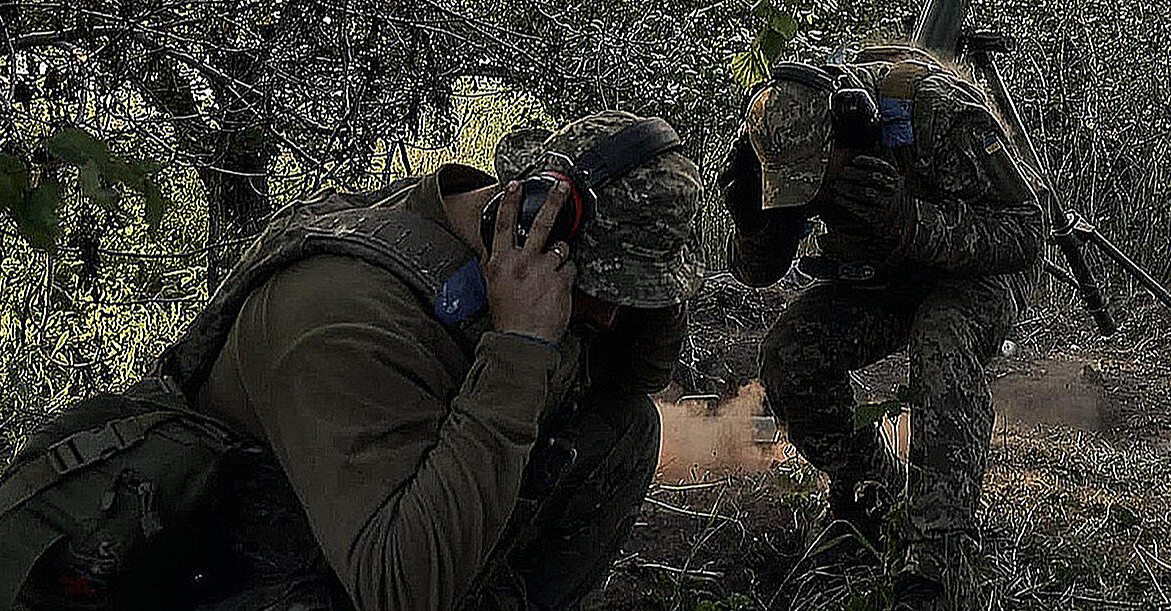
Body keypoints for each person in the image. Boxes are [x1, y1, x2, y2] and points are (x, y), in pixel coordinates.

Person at [182, 109, 702, 610]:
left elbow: (637, 377)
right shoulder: (342, 320)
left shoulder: (488, 231)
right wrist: (519, 349)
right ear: (525, 219)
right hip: (282, 569)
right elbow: (399, 592)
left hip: (390, 515)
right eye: (602, 288)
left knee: (621, 427)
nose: (610, 317)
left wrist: (649, 287)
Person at [717, 46, 1044, 608]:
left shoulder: (938, 114)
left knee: (941, 339)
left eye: (819, 180)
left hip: (976, 269)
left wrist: (911, 221)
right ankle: (871, 497)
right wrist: (752, 223)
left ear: (851, 129)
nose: (812, 198)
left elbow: (1024, 233)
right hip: (886, 274)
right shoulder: (779, 145)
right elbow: (760, 274)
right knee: (792, 352)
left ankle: (939, 561)